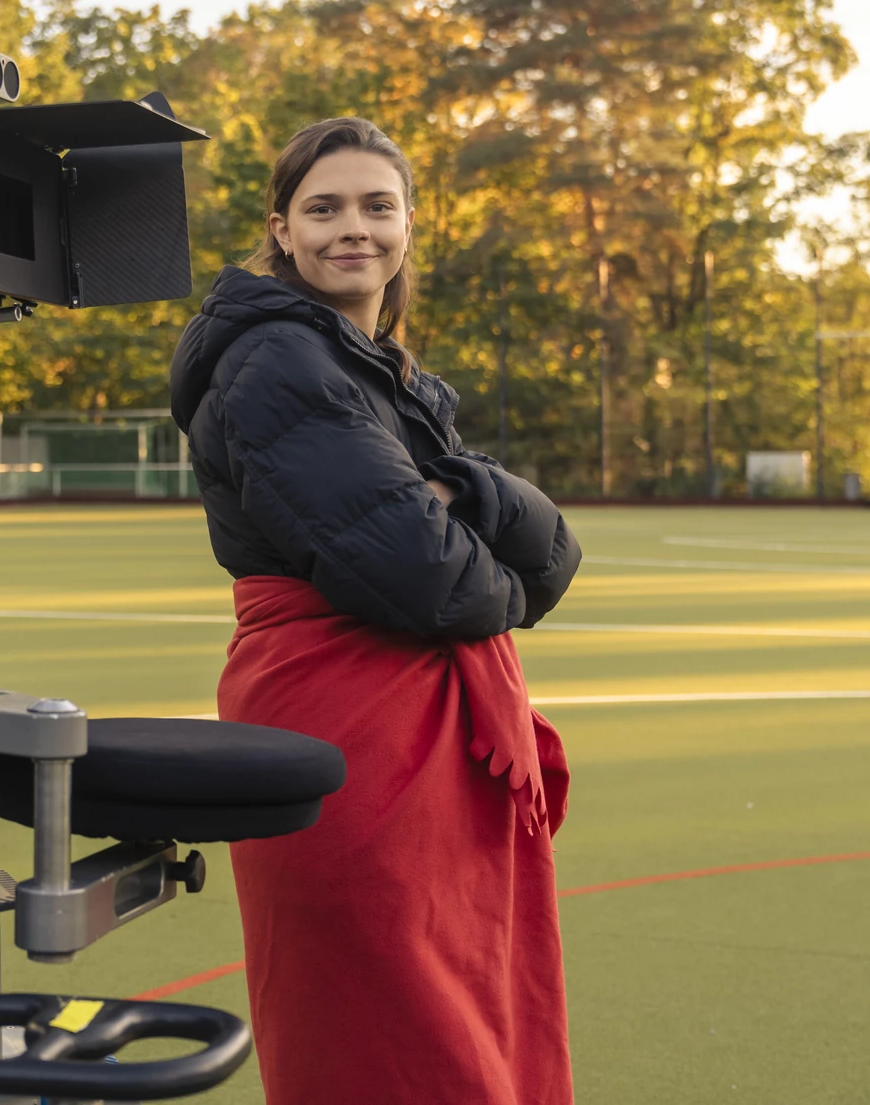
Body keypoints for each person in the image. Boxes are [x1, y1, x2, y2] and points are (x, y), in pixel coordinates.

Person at [168, 117, 582, 1105]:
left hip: (419, 732)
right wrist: (484, 554)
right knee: (387, 1022)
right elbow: (425, 579)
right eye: (322, 208)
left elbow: (550, 554)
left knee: (464, 1000)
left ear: (405, 226)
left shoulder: (377, 370)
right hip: (351, 734)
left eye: (375, 206)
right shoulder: (276, 362)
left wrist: (466, 502)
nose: (351, 228)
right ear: (280, 229)